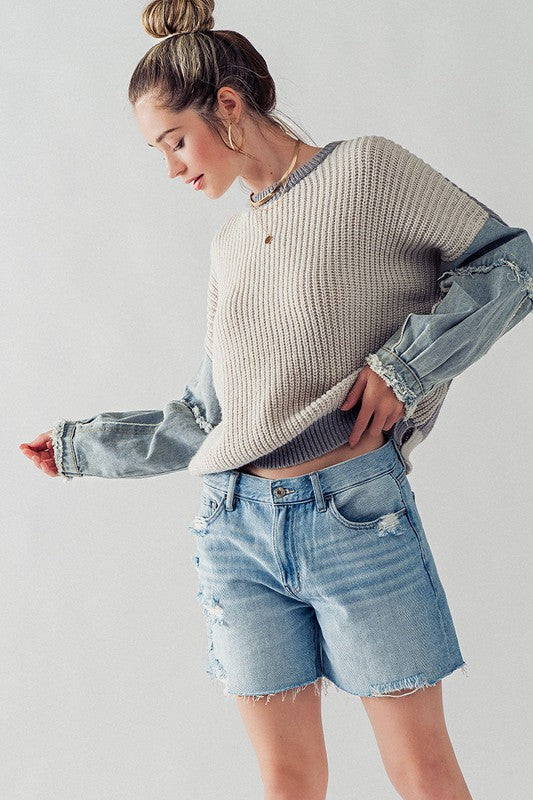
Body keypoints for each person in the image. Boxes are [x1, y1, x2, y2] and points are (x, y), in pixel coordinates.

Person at [19, 2, 533, 798]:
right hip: (235, 530)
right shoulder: (229, 247)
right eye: (158, 151)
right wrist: (83, 448)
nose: (171, 168)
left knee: (421, 771)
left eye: (174, 141)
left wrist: (403, 369)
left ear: (226, 105)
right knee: (287, 779)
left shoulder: (366, 172)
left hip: (353, 515)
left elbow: (509, 264)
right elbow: (208, 417)